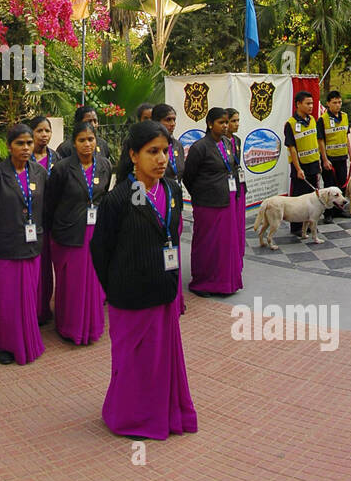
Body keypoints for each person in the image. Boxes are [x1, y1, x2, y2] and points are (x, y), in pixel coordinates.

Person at [92, 119, 196, 441]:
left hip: (163, 293)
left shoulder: (173, 190)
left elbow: (172, 236)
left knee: (160, 362)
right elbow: (100, 250)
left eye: (165, 151)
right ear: (134, 155)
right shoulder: (118, 200)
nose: (162, 158)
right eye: (153, 152)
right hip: (130, 298)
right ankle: (130, 418)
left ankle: (165, 412)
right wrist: (117, 288)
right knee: (134, 363)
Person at [0, 124, 48, 365]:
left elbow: (44, 207)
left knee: (26, 298)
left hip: (30, 247)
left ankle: (24, 339)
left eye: (28, 143)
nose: (25, 148)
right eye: (20, 144)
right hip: (2, 248)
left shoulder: (39, 173)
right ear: (9, 145)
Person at [41, 116, 107, 346]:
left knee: (94, 281)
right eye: (82, 140)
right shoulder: (62, 168)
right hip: (68, 234)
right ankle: (69, 327)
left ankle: (92, 326)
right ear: (74, 143)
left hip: (95, 232)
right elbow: (51, 201)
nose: (87, 144)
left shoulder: (104, 165)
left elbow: (103, 195)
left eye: (90, 139)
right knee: (72, 283)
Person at [180, 107, 247, 297]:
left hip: (227, 201)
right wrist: (200, 195)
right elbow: (188, 176)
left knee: (225, 244)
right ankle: (203, 283)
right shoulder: (200, 147)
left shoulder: (227, 142)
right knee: (207, 244)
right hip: (207, 204)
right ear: (210, 124)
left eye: (227, 122)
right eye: (221, 122)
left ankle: (225, 283)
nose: (225, 126)